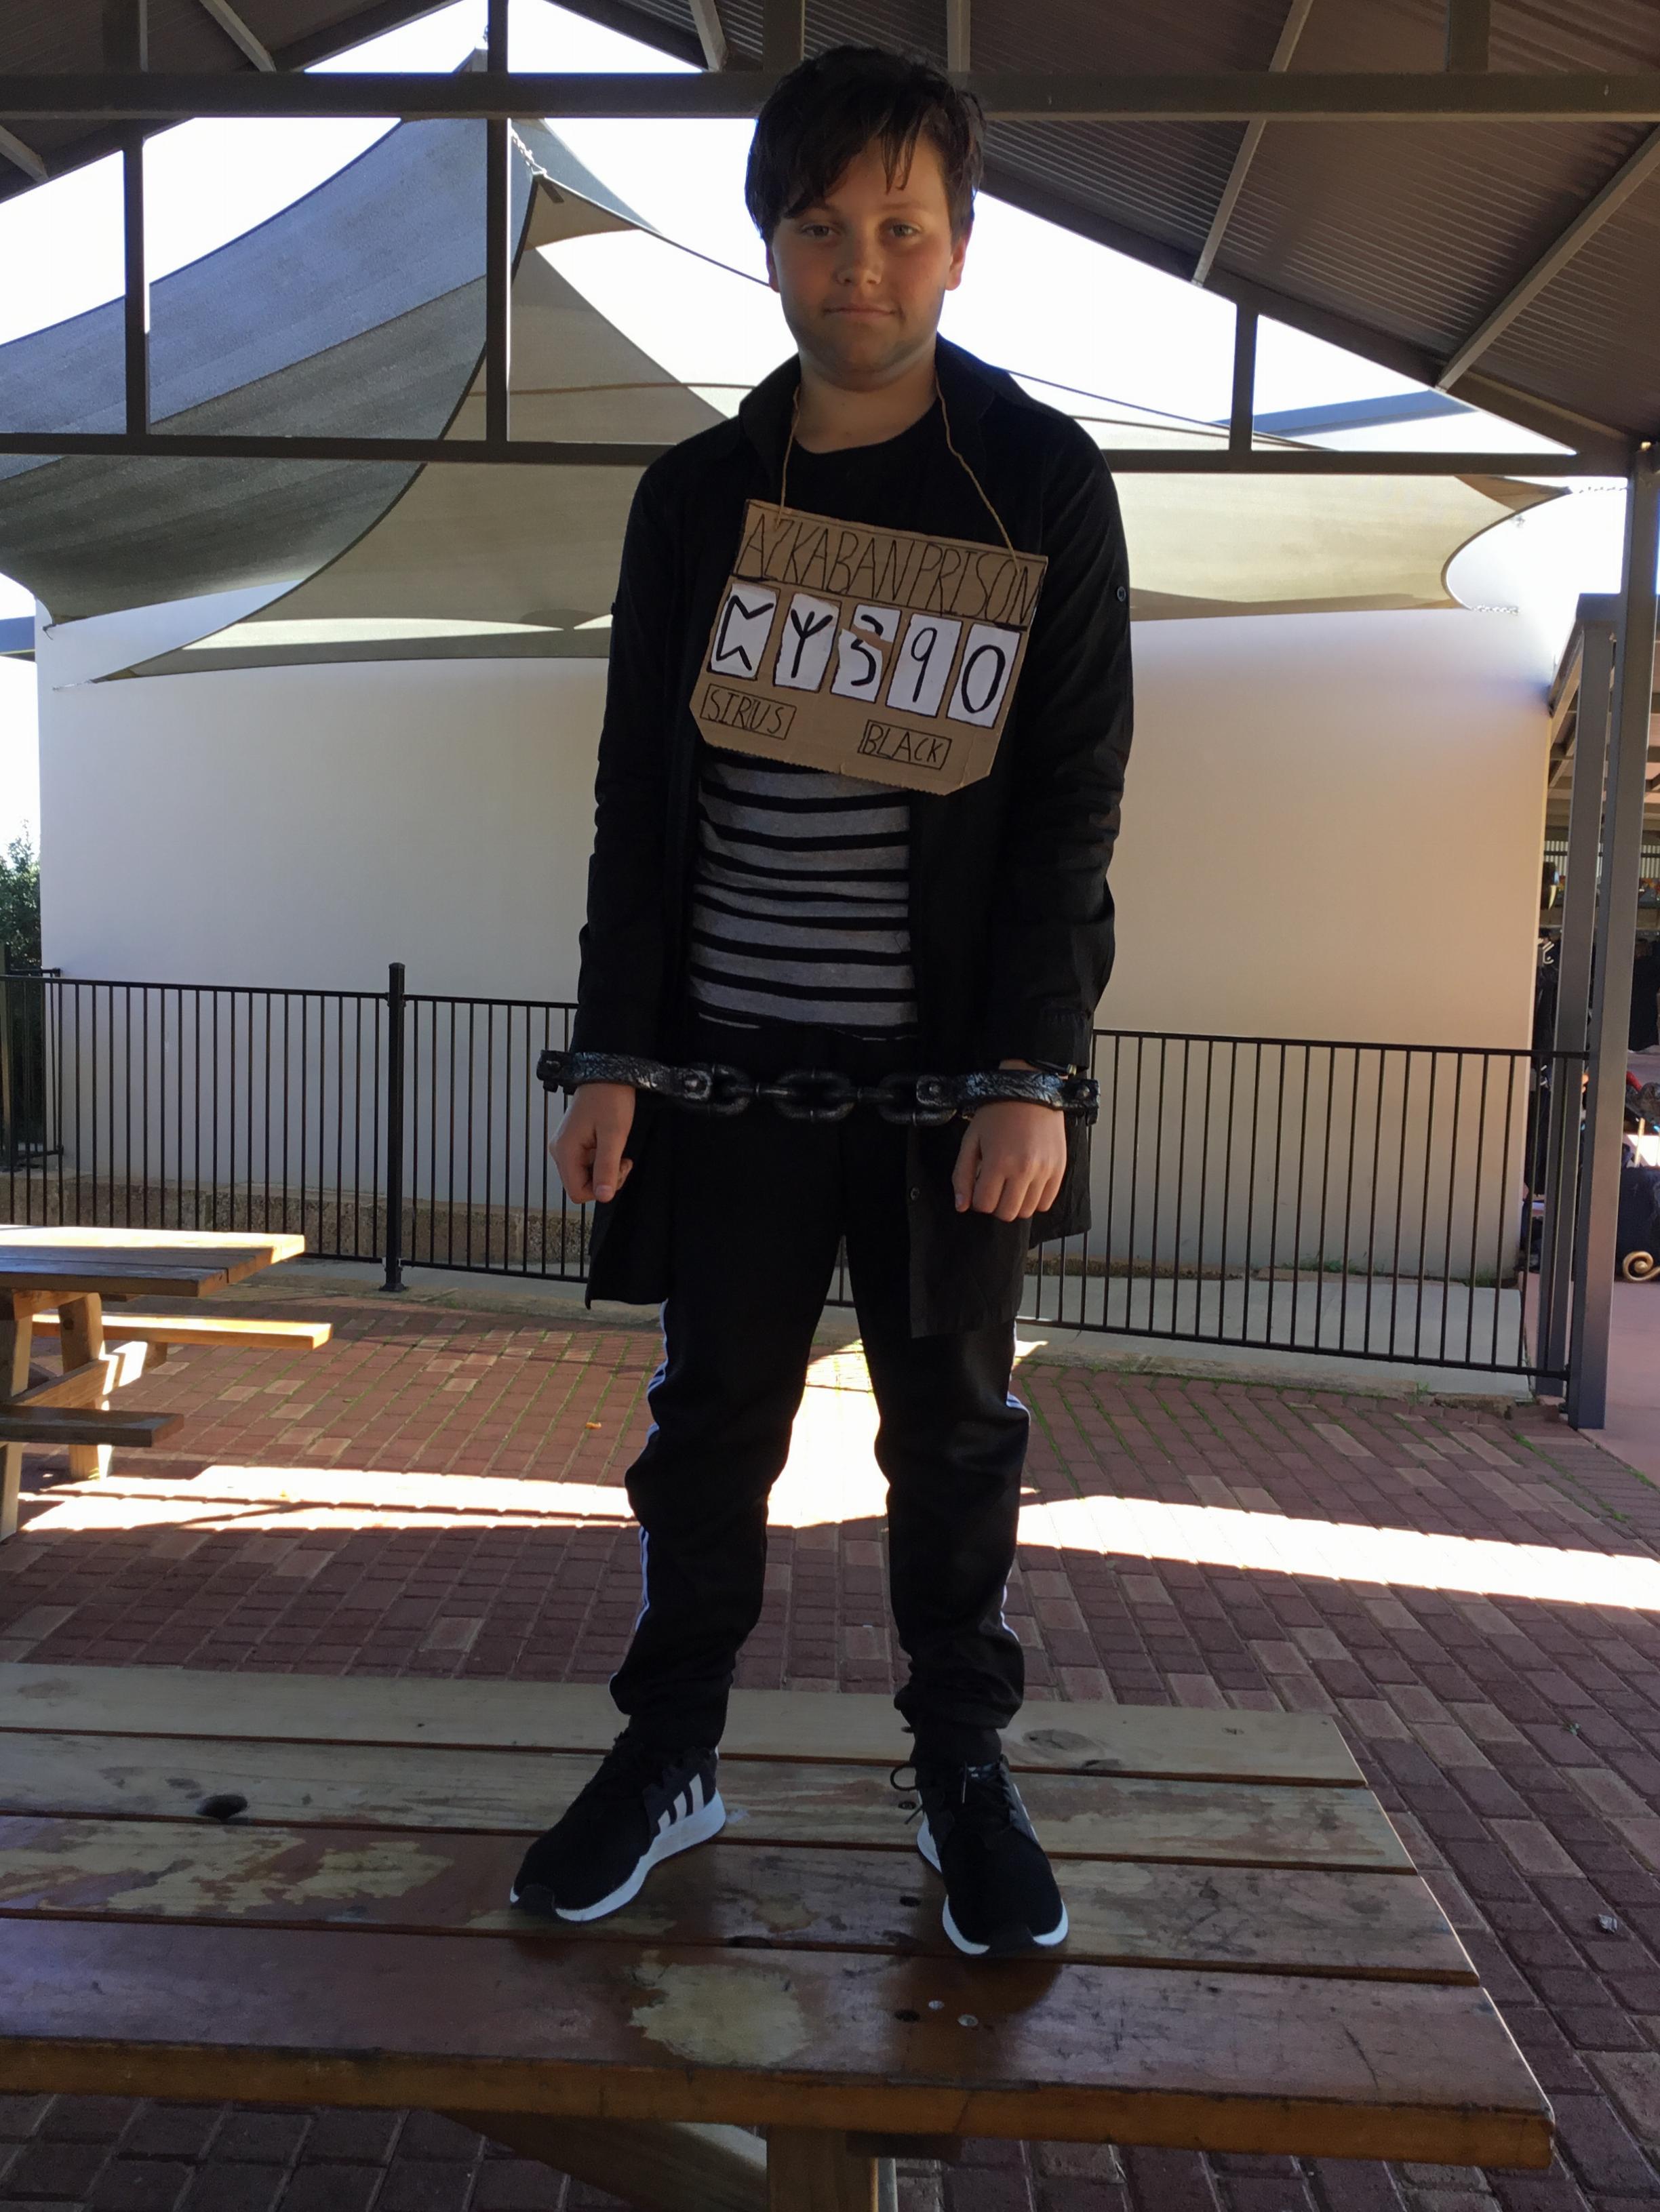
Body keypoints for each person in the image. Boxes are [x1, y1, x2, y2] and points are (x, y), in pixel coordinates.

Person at [509, 43, 1133, 1957]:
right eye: (819, 225)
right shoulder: (698, 496)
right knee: (709, 1425)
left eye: (900, 227)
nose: (860, 264)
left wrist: (1031, 1070)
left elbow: (1071, 800)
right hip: (725, 1071)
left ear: (960, 246)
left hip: (952, 1087)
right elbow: (637, 792)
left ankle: (961, 1765)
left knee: (955, 1434)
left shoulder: (1040, 479)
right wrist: (614, 1054)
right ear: (769, 243)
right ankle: (670, 1751)